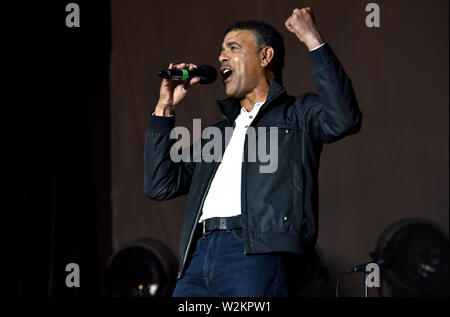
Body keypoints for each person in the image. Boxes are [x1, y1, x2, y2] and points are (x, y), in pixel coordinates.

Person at [144, 7, 362, 297]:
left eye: (233, 48)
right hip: (198, 257)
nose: (221, 56)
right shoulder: (217, 135)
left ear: (265, 57)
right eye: (221, 50)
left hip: (255, 253)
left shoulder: (296, 114)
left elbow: (344, 119)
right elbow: (160, 184)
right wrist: (164, 109)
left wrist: (313, 41)